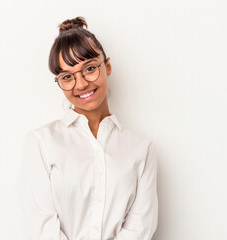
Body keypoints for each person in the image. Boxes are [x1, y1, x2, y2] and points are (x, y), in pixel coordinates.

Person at [16, 16, 158, 240]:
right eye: (67, 77)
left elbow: (140, 228)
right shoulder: (41, 143)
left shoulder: (141, 149)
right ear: (59, 81)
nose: (81, 84)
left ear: (107, 66)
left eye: (90, 68)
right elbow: (42, 228)